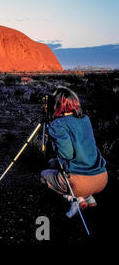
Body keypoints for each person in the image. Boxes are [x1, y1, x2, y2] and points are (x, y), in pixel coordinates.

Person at [40, 86, 108, 218]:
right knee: (52, 163)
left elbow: (66, 154)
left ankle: (74, 199)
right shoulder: (85, 119)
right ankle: (86, 197)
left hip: (81, 182)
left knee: (43, 175)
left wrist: (53, 138)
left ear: (56, 104)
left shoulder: (58, 124)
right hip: (102, 178)